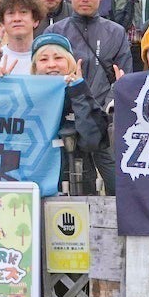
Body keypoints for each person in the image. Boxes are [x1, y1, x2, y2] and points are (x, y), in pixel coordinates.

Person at [29, 33, 113, 193]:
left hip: (79, 183)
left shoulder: (80, 92)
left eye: (58, 58)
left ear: (70, 63)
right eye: (43, 59)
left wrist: (79, 92)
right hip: (38, 184)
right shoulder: (28, 97)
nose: (51, 65)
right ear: (35, 67)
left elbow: (92, 139)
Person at [52, 0, 129, 82]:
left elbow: (125, 78)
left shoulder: (116, 33)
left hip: (108, 100)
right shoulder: (55, 32)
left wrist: (111, 100)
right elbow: (47, 78)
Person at [0, 0, 44, 76]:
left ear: (35, 21)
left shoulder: (47, 58)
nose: (17, 19)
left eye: (23, 12)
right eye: (11, 13)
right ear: (2, 23)